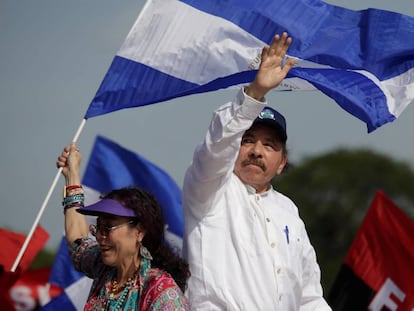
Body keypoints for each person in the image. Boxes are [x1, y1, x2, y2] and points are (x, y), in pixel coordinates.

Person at [182, 32, 332, 310]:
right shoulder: (209, 189)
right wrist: (255, 93)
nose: (256, 151)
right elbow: (216, 145)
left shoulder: (288, 211)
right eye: (247, 140)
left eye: (269, 144)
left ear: (282, 162)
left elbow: (309, 296)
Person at [56, 143, 191, 310]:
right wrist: (72, 176)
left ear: (140, 232)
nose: (99, 236)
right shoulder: (103, 268)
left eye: (108, 228)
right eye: (98, 227)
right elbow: (77, 241)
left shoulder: (160, 293)